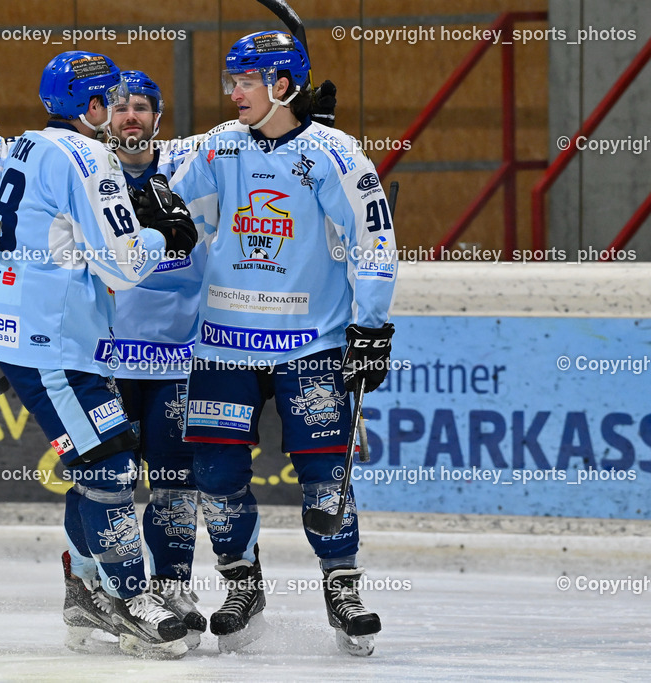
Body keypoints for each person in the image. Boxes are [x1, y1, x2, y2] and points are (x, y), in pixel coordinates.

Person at [0, 47, 198, 659]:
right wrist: (166, 234)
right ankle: (128, 600)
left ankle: (86, 592)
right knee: (108, 471)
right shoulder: (90, 157)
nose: (117, 109)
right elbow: (121, 267)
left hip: (41, 341)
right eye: (110, 99)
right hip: (55, 344)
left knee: (102, 467)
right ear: (93, 106)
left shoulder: (26, 147)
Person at [169, 30, 397, 656]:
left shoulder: (335, 152)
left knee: (325, 473)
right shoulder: (219, 146)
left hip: (311, 347)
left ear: (283, 86)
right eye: (231, 81)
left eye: (245, 81)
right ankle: (241, 583)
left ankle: (341, 584)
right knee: (215, 474)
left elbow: (374, 238)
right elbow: (155, 184)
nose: (232, 92)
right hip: (222, 346)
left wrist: (371, 325)